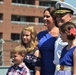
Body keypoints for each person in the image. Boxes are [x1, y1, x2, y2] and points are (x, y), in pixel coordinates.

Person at [53, 1, 76, 74]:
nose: (58, 18)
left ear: (70, 17)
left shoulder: (73, 34)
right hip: (59, 70)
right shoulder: (60, 35)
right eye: (57, 16)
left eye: (61, 15)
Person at [37, 7, 59, 75]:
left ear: (54, 18)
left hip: (58, 71)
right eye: (44, 16)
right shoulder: (40, 35)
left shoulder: (62, 34)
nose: (44, 19)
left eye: (47, 16)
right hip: (42, 71)